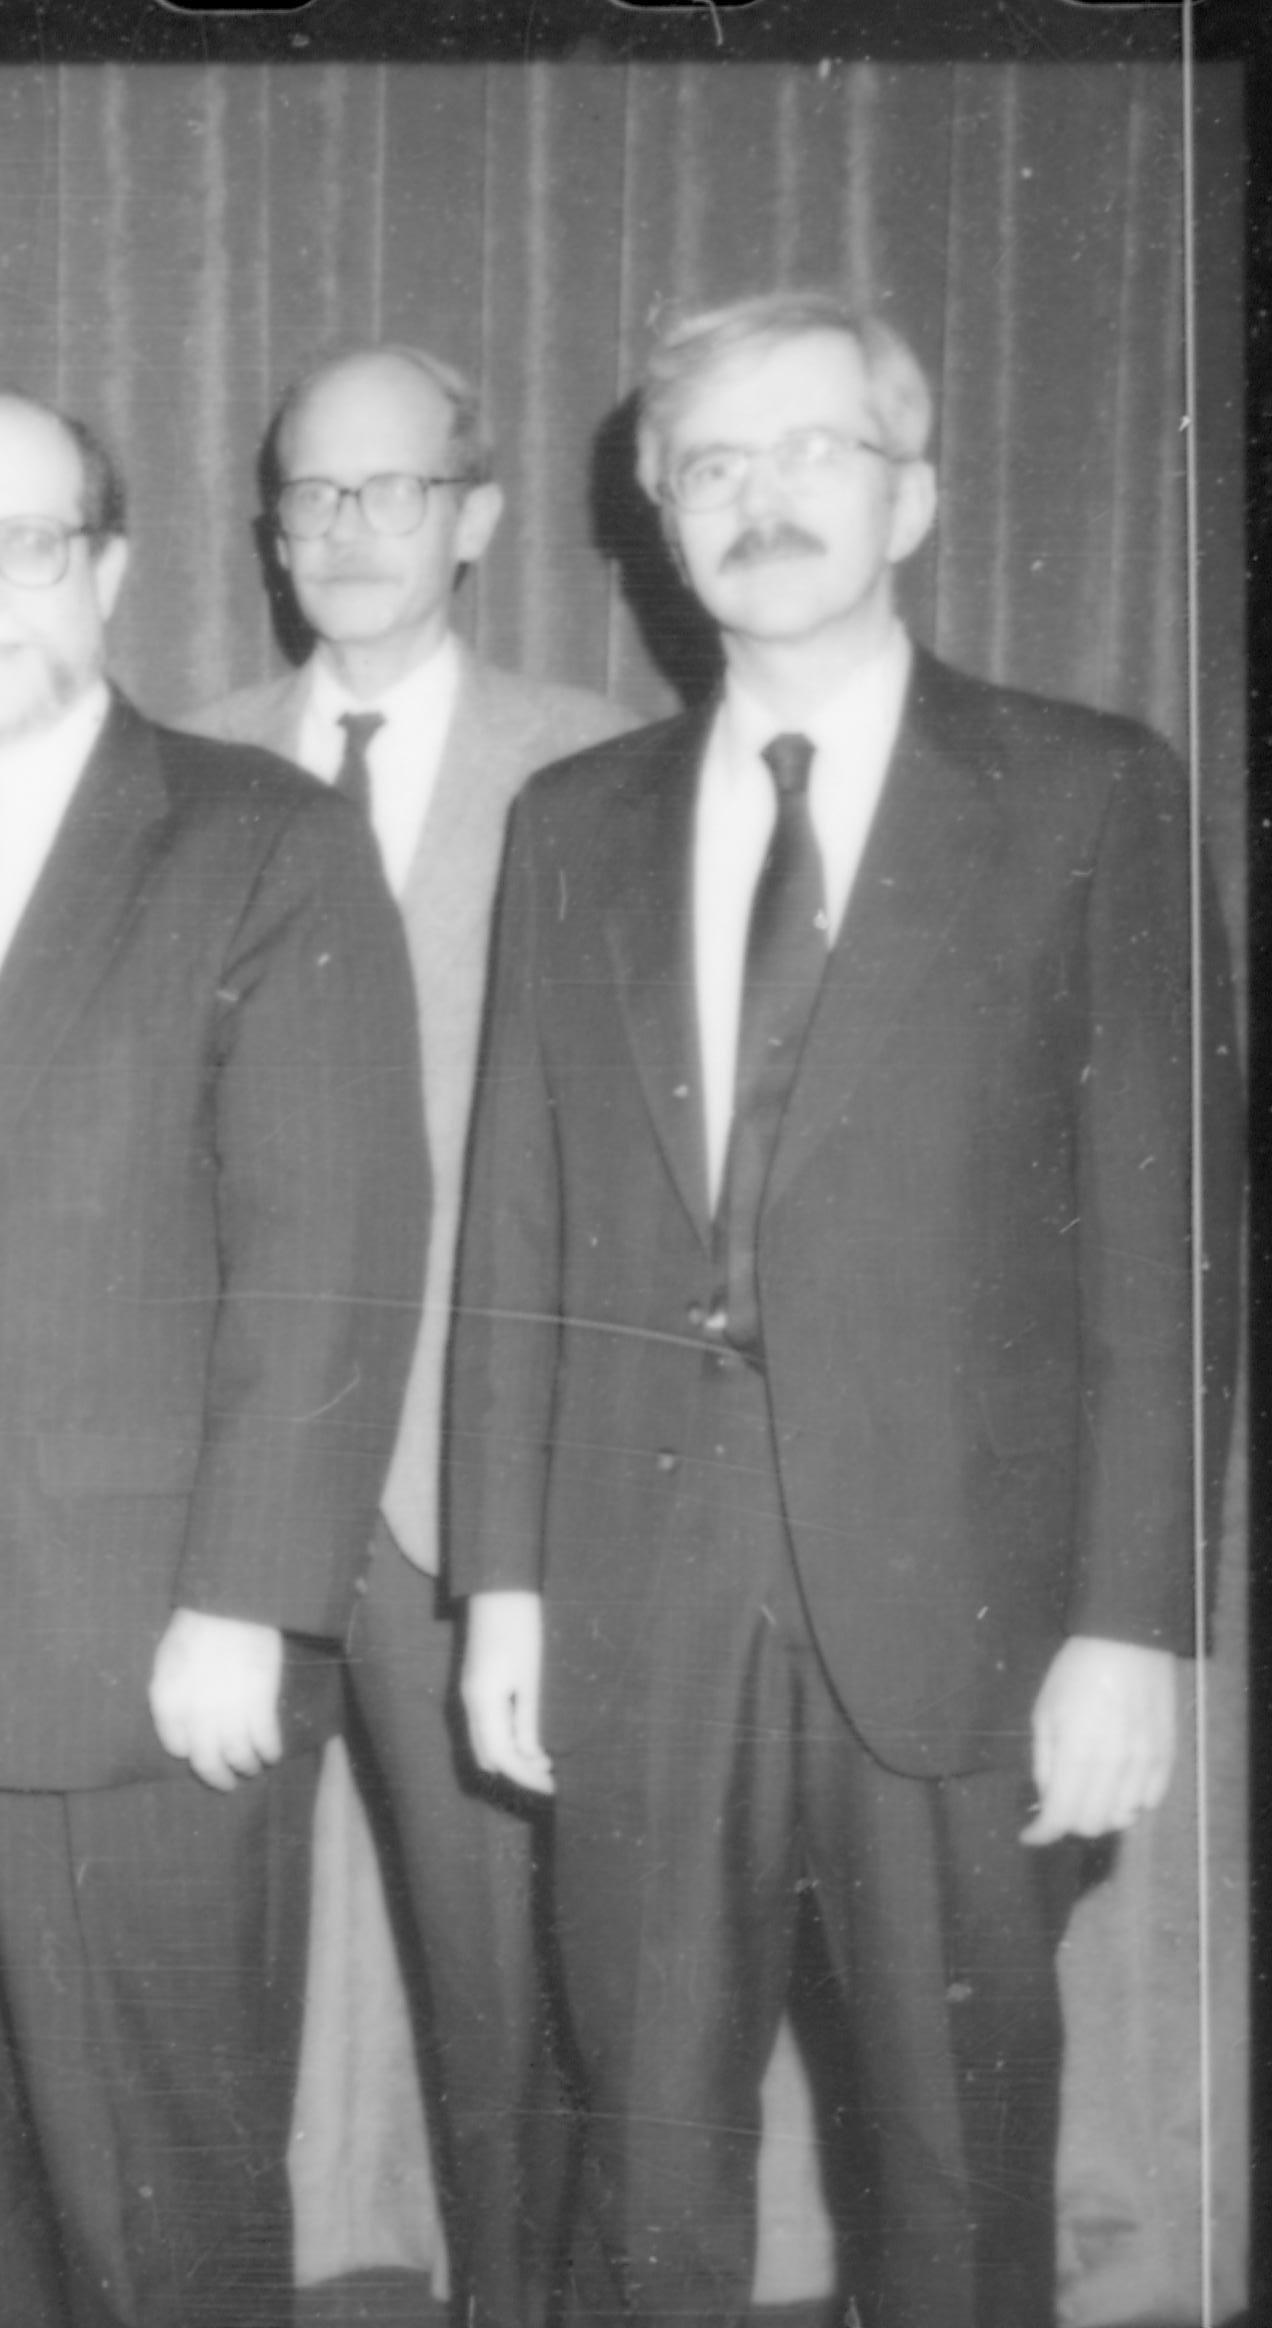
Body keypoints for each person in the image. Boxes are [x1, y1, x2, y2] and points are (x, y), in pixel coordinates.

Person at [447, 290, 1240, 2328]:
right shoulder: (575, 829)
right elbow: (521, 1230)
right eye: (711, 463)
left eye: (813, 451)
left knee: (961, 2167)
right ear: (657, 521)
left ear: (916, 496)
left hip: (966, 1616)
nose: (760, 497)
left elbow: (1165, 1243)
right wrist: (509, 1585)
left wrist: (1132, 1618)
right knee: (641, 2169)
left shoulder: (1087, 796)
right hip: (640, 1610)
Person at [0, 385, 426, 2328]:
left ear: (108, 572)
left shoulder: (259, 843)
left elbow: (332, 1250)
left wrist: (246, 1604)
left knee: (157, 2222)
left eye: (19, 543)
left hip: (142, 1663)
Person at [179, 344, 633, 2328]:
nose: (349, 532)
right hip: (208, 1498)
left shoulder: (609, 766)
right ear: (271, 530)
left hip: (474, 1496)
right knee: (186, 2001)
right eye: (311, 497)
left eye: (393, 491)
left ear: (479, 516)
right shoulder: (174, 772)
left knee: (504, 2021)